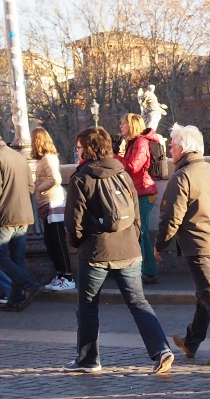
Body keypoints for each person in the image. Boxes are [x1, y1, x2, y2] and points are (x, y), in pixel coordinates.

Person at [64, 127, 174, 375]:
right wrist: (133, 239)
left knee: (88, 305)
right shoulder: (123, 173)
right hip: (128, 248)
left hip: (96, 251)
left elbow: (73, 221)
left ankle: (89, 359)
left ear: (88, 149)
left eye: (79, 147)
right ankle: (161, 349)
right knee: (138, 301)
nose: (77, 151)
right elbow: (136, 213)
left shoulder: (81, 178)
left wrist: (80, 244)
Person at [155, 124, 210, 365]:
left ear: (182, 148)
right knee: (206, 292)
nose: (169, 151)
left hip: (198, 245)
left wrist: (160, 246)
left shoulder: (182, 176)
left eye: (171, 146)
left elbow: (171, 218)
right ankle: (191, 341)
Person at [0, 127, 41, 311]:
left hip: (4, 216)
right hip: (23, 215)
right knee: (17, 258)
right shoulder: (19, 157)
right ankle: (15, 298)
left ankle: (29, 284)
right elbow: (30, 186)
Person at [118, 113, 163, 280]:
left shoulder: (140, 142)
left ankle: (143, 271)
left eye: (123, 123)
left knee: (140, 232)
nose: (121, 126)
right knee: (141, 232)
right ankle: (148, 271)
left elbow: (133, 166)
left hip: (144, 191)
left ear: (132, 125)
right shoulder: (134, 143)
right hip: (138, 191)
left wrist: (115, 156)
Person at [32, 127, 73, 291]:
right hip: (49, 202)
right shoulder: (45, 158)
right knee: (51, 241)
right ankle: (60, 274)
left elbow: (55, 178)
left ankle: (67, 276)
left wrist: (39, 189)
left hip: (53, 202)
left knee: (57, 240)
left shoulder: (47, 158)